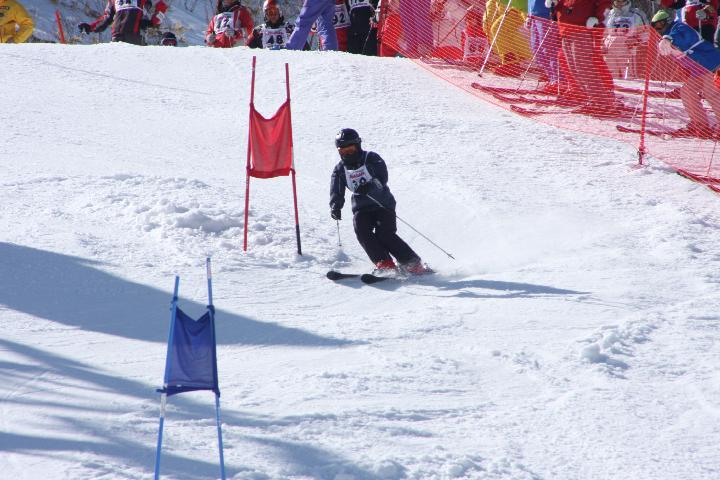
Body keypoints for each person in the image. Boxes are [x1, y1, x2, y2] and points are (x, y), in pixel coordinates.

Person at [329, 128, 429, 275]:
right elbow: (336, 189)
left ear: (358, 146)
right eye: (343, 151)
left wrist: (370, 185)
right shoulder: (340, 169)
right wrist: (335, 206)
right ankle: (384, 263)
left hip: (382, 204)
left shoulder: (371, 158)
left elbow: (382, 177)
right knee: (361, 230)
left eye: (350, 149)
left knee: (384, 234)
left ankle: (412, 263)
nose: (348, 154)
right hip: (361, 207)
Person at [651, 9, 720, 137]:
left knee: (711, 93)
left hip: (712, 65)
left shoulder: (679, 27)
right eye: (655, 26)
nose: (658, 28)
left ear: (667, 21)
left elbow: (686, 39)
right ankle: (700, 124)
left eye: (660, 24)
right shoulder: (665, 38)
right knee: (687, 92)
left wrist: (668, 39)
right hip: (698, 71)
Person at [603, 0, 648, 79]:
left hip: (628, 51)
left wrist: (636, 40)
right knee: (610, 77)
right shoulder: (608, 14)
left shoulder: (637, 14)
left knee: (629, 78)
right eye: (617, 1)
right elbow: (602, 32)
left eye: (622, 1)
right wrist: (602, 43)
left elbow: (647, 33)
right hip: (610, 52)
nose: (620, 3)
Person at [79, 0, 152, 45]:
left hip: (122, 36)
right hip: (128, 36)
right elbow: (107, 18)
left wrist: (91, 27)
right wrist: (90, 27)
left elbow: (106, 18)